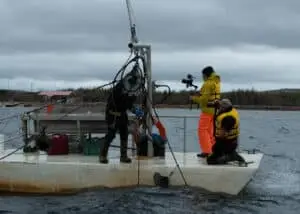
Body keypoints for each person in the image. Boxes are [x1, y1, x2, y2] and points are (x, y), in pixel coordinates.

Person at [99, 77, 144, 164]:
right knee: (110, 135)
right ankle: (103, 155)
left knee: (124, 135)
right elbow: (120, 101)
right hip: (113, 116)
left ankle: (123, 157)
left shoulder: (131, 92)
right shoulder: (118, 89)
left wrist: (135, 110)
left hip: (123, 115)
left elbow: (128, 104)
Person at [190, 66, 221, 158]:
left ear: (206, 75)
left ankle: (207, 151)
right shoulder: (216, 82)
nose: (202, 77)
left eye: (203, 75)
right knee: (210, 131)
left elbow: (203, 100)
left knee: (202, 130)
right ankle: (213, 150)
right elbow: (208, 94)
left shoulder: (208, 83)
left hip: (207, 110)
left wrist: (193, 98)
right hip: (214, 110)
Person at [206, 98, 246, 165]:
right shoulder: (231, 110)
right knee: (214, 150)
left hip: (227, 143)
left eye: (220, 107)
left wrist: (217, 142)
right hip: (231, 142)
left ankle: (232, 156)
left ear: (223, 108)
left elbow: (222, 133)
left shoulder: (227, 118)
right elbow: (215, 105)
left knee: (212, 160)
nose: (219, 108)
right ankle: (230, 154)